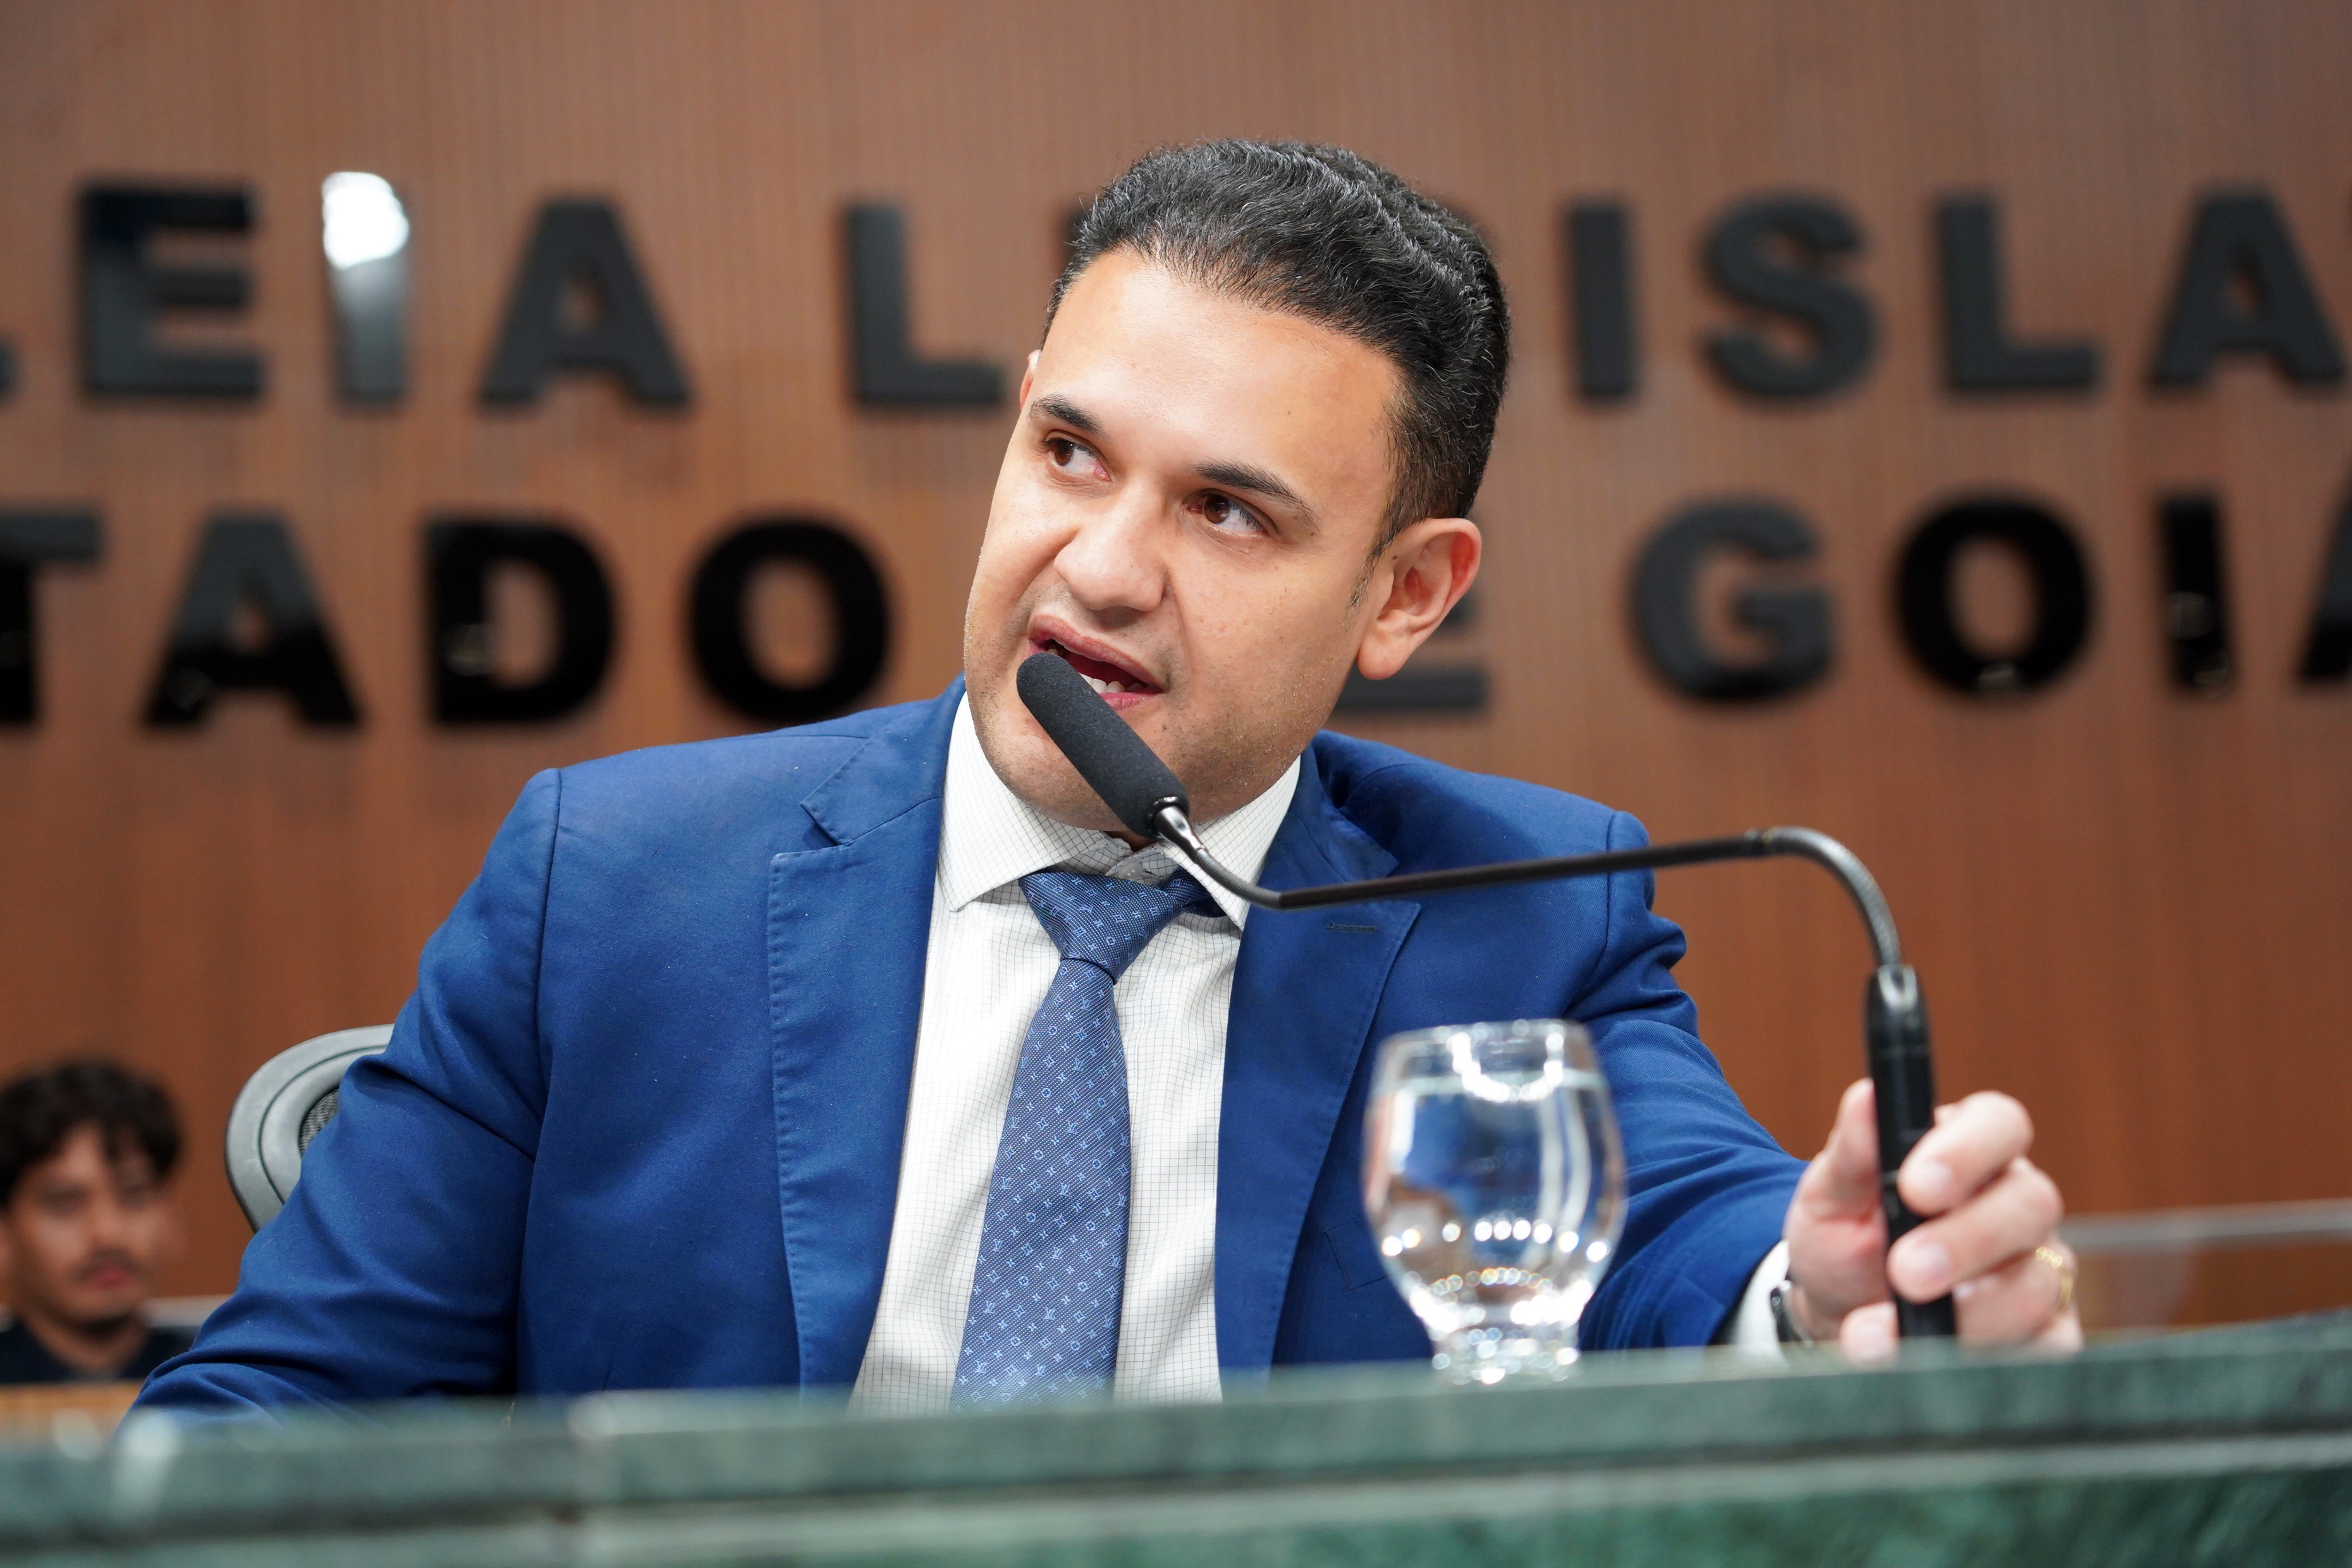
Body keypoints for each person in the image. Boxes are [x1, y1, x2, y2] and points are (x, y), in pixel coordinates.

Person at [140, 140, 2077, 1416]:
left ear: (1405, 594)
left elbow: (1696, 1251)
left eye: (1228, 510)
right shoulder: (618, 883)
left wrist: (1827, 1295)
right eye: (1069, 454)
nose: (1100, 568)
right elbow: (271, 1421)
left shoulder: (1510, 910)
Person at [0, 1061, 191, 1384]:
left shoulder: (226, 1384)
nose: (109, 1234)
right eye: (65, 1204)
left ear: (170, 1218)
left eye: (134, 1195)